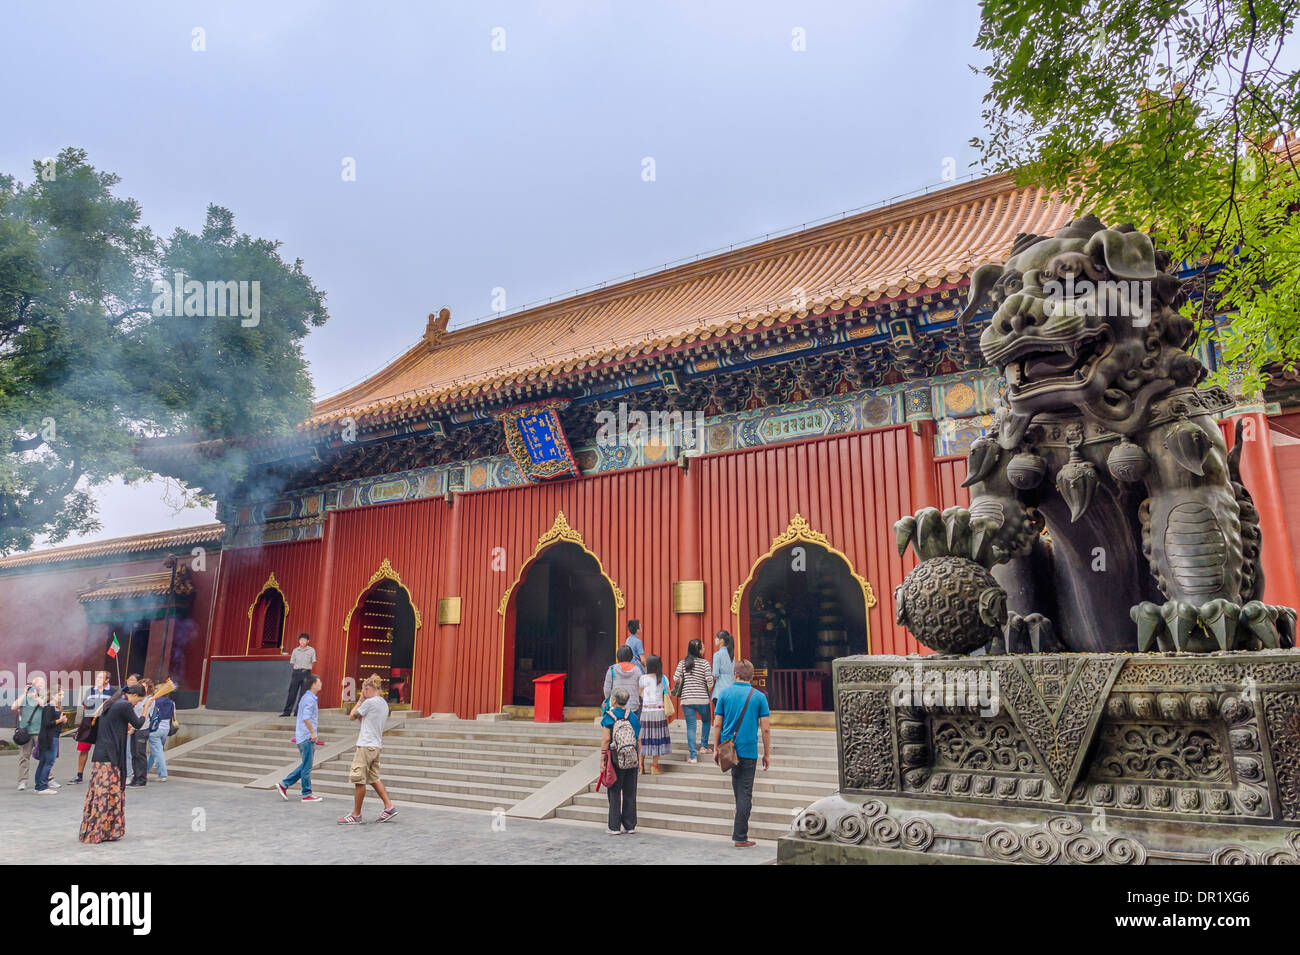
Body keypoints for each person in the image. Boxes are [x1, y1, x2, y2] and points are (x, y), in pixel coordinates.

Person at [79, 684, 152, 843]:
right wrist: (146, 708)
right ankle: (100, 831)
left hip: (101, 754)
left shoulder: (112, 702)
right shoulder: (124, 704)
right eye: (138, 701)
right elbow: (139, 723)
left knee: (98, 793)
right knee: (107, 794)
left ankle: (99, 830)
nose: (136, 704)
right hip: (110, 756)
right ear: (133, 695)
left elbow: (114, 725)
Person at [711, 659, 772, 848]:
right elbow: (766, 729)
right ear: (752, 676)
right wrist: (767, 753)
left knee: (738, 789)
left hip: (729, 749)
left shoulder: (724, 694)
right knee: (745, 791)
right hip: (749, 750)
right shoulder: (759, 697)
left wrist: (715, 747)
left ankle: (739, 829)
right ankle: (740, 836)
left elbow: (717, 723)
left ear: (735, 675)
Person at [338, 674, 397, 824]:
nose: (363, 693)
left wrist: (359, 701)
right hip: (376, 745)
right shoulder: (384, 704)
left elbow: (352, 716)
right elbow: (367, 721)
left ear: (368, 688)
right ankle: (389, 806)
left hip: (365, 744)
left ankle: (356, 814)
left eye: (364, 690)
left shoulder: (369, 702)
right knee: (374, 778)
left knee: (360, 779)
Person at [600, 687, 641, 835]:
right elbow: (638, 739)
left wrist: (602, 760)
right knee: (630, 791)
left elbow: (605, 739)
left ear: (614, 700)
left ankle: (614, 826)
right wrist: (638, 758)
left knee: (614, 791)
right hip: (632, 756)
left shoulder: (609, 716)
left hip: (615, 757)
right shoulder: (633, 717)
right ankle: (630, 825)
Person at [277, 673, 323, 802]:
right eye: (319, 681)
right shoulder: (309, 699)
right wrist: (312, 733)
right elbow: (306, 717)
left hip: (302, 736)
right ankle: (306, 793)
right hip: (307, 737)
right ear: (313, 684)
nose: (321, 683)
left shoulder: (306, 697)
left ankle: (284, 784)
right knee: (307, 767)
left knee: (305, 764)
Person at [672, 639, 714, 763]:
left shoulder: (682, 663)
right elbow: (710, 682)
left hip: (687, 699)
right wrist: (708, 689)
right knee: (706, 721)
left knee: (691, 727)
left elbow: (675, 678)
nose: (704, 649)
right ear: (699, 650)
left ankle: (693, 756)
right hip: (702, 699)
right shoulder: (705, 663)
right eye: (703, 647)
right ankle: (704, 746)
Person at [70, 671, 112, 784]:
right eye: (97, 677)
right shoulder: (90, 690)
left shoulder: (112, 691)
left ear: (107, 680)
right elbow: (85, 705)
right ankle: (79, 775)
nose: (97, 679)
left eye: (100, 678)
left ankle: (101, 775)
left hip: (104, 724)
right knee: (83, 748)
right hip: (89, 723)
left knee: (102, 750)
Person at [637, 654, 672, 773]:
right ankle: (654, 766)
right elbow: (668, 693)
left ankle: (641, 765)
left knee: (644, 738)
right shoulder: (663, 678)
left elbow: (640, 693)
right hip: (659, 711)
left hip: (646, 711)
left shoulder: (643, 678)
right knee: (657, 737)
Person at [10, 676, 46, 790]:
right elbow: (13, 706)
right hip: (26, 732)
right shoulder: (25, 696)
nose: (41, 687)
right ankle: (23, 781)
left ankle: (48, 778)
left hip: (39, 731)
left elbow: (43, 705)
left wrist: (36, 697)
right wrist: (24, 693)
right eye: (39, 685)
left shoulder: (44, 695)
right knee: (24, 757)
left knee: (44, 756)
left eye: (43, 685)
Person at [34, 684, 67, 795]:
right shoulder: (50, 707)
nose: (62, 697)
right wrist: (60, 720)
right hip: (50, 738)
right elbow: (47, 723)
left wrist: (61, 720)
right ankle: (42, 787)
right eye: (60, 694)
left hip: (48, 737)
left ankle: (38, 785)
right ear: (54, 695)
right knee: (48, 762)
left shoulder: (52, 706)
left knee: (43, 762)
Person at [281, 633, 317, 717]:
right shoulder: (295, 650)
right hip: (296, 673)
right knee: (292, 693)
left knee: (303, 694)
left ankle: (298, 712)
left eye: (304, 640)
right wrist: (298, 669)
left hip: (306, 673)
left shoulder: (311, 650)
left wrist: (306, 669)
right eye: (301, 640)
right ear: (299, 641)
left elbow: (313, 662)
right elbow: (292, 663)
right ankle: (287, 712)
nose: (302, 641)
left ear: (308, 641)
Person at [602, 645, 642, 718]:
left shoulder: (612, 669)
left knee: (614, 728)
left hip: (615, 706)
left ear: (618, 656)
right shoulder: (637, 670)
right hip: (633, 706)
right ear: (631, 656)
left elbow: (607, 690)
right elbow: (640, 689)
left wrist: (611, 700)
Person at [128, 678, 154, 787]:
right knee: (134, 754)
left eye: (145, 686)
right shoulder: (138, 698)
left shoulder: (150, 699)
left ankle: (142, 778)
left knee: (140, 754)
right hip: (135, 727)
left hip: (143, 728)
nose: (143, 688)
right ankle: (135, 776)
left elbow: (147, 714)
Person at [146, 691, 176, 782]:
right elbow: (174, 716)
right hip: (166, 729)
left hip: (155, 729)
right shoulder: (172, 702)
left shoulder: (154, 701)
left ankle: (162, 774)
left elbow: (149, 713)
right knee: (154, 751)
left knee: (157, 752)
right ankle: (144, 771)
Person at [711, 630, 736, 714]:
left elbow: (715, 675)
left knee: (720, 717)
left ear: (721, 640)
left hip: (720, 690)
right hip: (731, 689)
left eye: (716, 638)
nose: (715, 639)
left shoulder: (717, 654)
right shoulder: (732, 655)